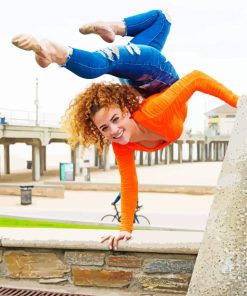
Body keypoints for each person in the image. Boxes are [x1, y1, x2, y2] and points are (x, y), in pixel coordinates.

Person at [11, 10, 239, 250]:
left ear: (127, 112)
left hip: (152, 68)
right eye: (105, 128)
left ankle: (54, 51)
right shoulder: (123, 144)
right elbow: (129, 184)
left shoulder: (154, 111)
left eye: (116, 119)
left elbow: (196, 78)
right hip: (140, 80)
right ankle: (113, 28)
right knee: (162, 19)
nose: (115, 130)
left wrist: (238, 104)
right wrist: (125, 230)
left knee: (105, 63)